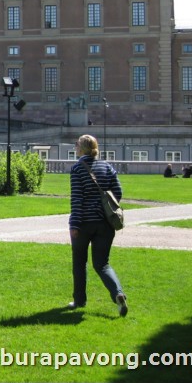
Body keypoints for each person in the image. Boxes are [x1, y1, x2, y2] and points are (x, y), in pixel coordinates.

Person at [67, 134, 128, 317]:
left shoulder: (77, 168)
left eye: (77, 144)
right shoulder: (107, 167)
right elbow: (117, 192)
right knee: (102, 264)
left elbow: (77, 199)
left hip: (84, 222)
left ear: (82, 148)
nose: (75, 147)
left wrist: (74, 224)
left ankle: (79, 300)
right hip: (105, 223)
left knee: (79, 262)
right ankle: (117, 293)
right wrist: (102, 207)